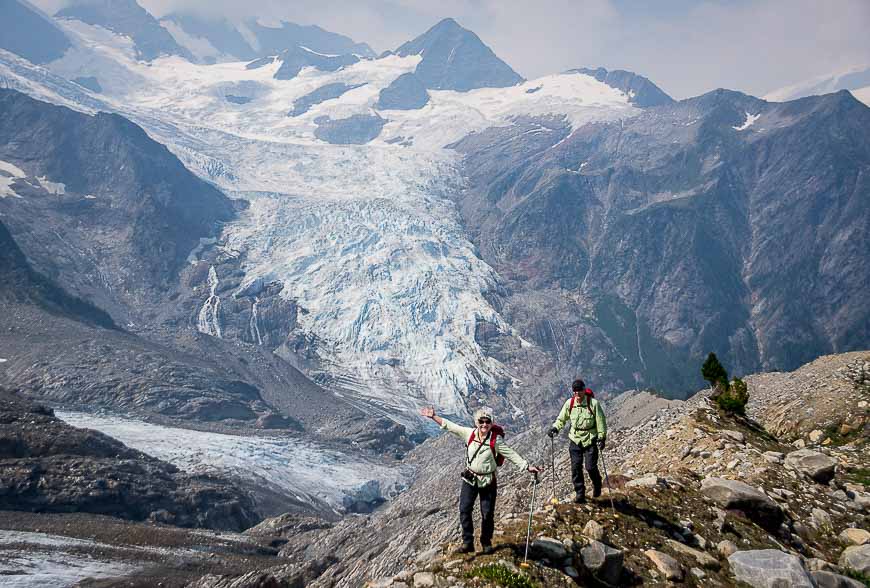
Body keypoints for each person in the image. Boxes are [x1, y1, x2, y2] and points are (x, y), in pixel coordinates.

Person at [420, 405, 540, 554]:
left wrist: (526, 466)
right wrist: (433, 416)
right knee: (464, 510)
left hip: (488, 481)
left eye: (487, 422)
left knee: (487, 513)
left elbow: (510, 454)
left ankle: (486, 542)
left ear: (491, 424)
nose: (484, 425)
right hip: (470, 479)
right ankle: (467, 542)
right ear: (477, 422)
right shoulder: (469, 434)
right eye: (481, 421)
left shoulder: (495, 441)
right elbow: (451, 426)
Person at [547, 378, 607, 503]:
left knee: (590, 467)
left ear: (584, 390)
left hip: (590, 438)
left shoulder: (593, 404)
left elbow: (600, 421)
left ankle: (597, 483)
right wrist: (555, 428)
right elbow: (561, 419)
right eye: (575, 392)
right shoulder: (570, 403)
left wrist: (602, 437)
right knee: (576, 467)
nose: (578, 394)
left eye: (580, 391)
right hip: (575, 438)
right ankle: (580, 493)